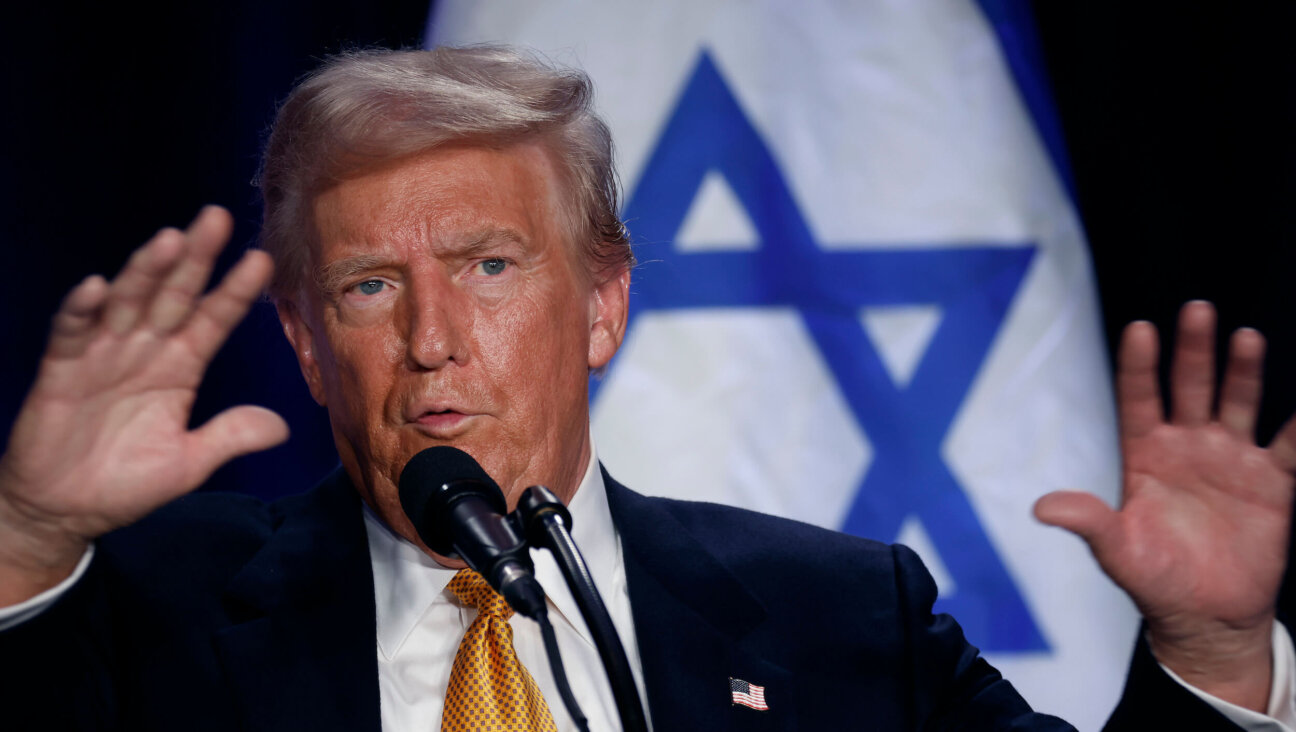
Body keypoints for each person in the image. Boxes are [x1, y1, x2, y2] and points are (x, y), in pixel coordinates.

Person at [1, 45, 1293, 730]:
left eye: (488, 265)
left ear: (604, 301)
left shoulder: (840, 620)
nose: (432, 339)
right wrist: (24, 540)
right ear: (301, 337)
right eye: (368, 287)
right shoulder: (144, 612)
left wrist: (1214, 654)